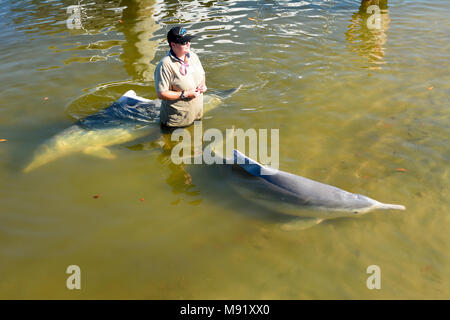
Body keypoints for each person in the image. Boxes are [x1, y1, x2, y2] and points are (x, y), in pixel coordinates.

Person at [154, 26, 207, 128]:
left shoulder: (193, 56)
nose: (188, 44)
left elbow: (202, 74)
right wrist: (186, 94)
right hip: (176, 123)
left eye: (188, 40)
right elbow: (161, 93)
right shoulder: (165, 65)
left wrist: (203, 85)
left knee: (198, 143)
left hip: (196, 116)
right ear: (173, 45)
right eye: (184, 42)